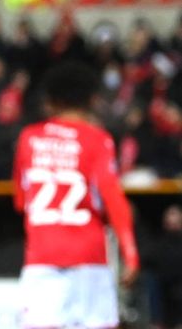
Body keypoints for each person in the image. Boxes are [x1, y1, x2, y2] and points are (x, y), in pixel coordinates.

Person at [12, 60, 140, 329]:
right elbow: (113, 199)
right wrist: (130, 252)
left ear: (49, 100)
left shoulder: (29, 138)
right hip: (89, 257)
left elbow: (21, 201)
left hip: (42, 255)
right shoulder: (97, 139)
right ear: (92, 99)